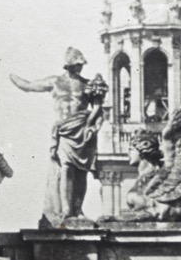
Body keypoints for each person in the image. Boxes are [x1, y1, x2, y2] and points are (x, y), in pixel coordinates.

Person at [9, 49, 108, 225]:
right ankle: (66, 210)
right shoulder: (55, 82)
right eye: (76, 64)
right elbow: (30, 86)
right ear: (68, 64)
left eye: (81, 65)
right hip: (64, 130)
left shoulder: (87, 85)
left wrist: (95, 127)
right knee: (66, 168)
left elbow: (100, 111)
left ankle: (78, 209)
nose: (79, 68)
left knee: (81, 172)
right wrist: (13, 76)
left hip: (83, 130)